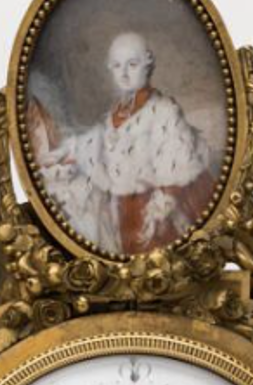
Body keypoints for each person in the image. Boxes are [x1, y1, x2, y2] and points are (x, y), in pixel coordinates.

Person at [31, 31, 218, 255]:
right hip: (125, 207)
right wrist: (66, 153)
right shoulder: (116, 112)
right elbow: (97, 145)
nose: (124, 73)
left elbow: (176, 165)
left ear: (147, 64)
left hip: (156, 209)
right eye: (118, 66)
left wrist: (160, 206)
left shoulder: (163, 111)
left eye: (132, 64)